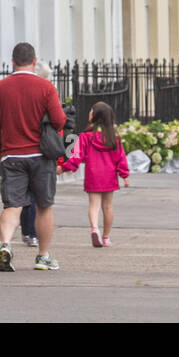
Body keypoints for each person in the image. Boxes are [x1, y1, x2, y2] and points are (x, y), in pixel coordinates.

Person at [0, 42, 66, 271]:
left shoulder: (0, 88)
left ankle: (5, 244)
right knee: (44, 205)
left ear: (12, 62)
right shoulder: (46, 87)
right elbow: (59, 121)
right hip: (41, 155)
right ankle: (42, 256)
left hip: (12, 155)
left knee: (13, 205)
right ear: (34, 61)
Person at [58, 100, 129, 247]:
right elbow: (120, 158)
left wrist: (64, 168)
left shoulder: (85, 137)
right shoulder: (113, 138)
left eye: (91, 111)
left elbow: (76, 157)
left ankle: (95, 228)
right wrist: (125, 175)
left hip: (92, 174)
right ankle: (106, 237)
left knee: (94, 206)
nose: (89, 113)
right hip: (109, 176)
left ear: (95, 116)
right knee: (108, 207)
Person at [18, 59, 57, 248]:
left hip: (18, 150)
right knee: (39, 199)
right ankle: (33, 235)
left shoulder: (21, 89)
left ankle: (26, 231)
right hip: (39, 149)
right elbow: (59, 120)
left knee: (24, 197)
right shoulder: (46, 91)